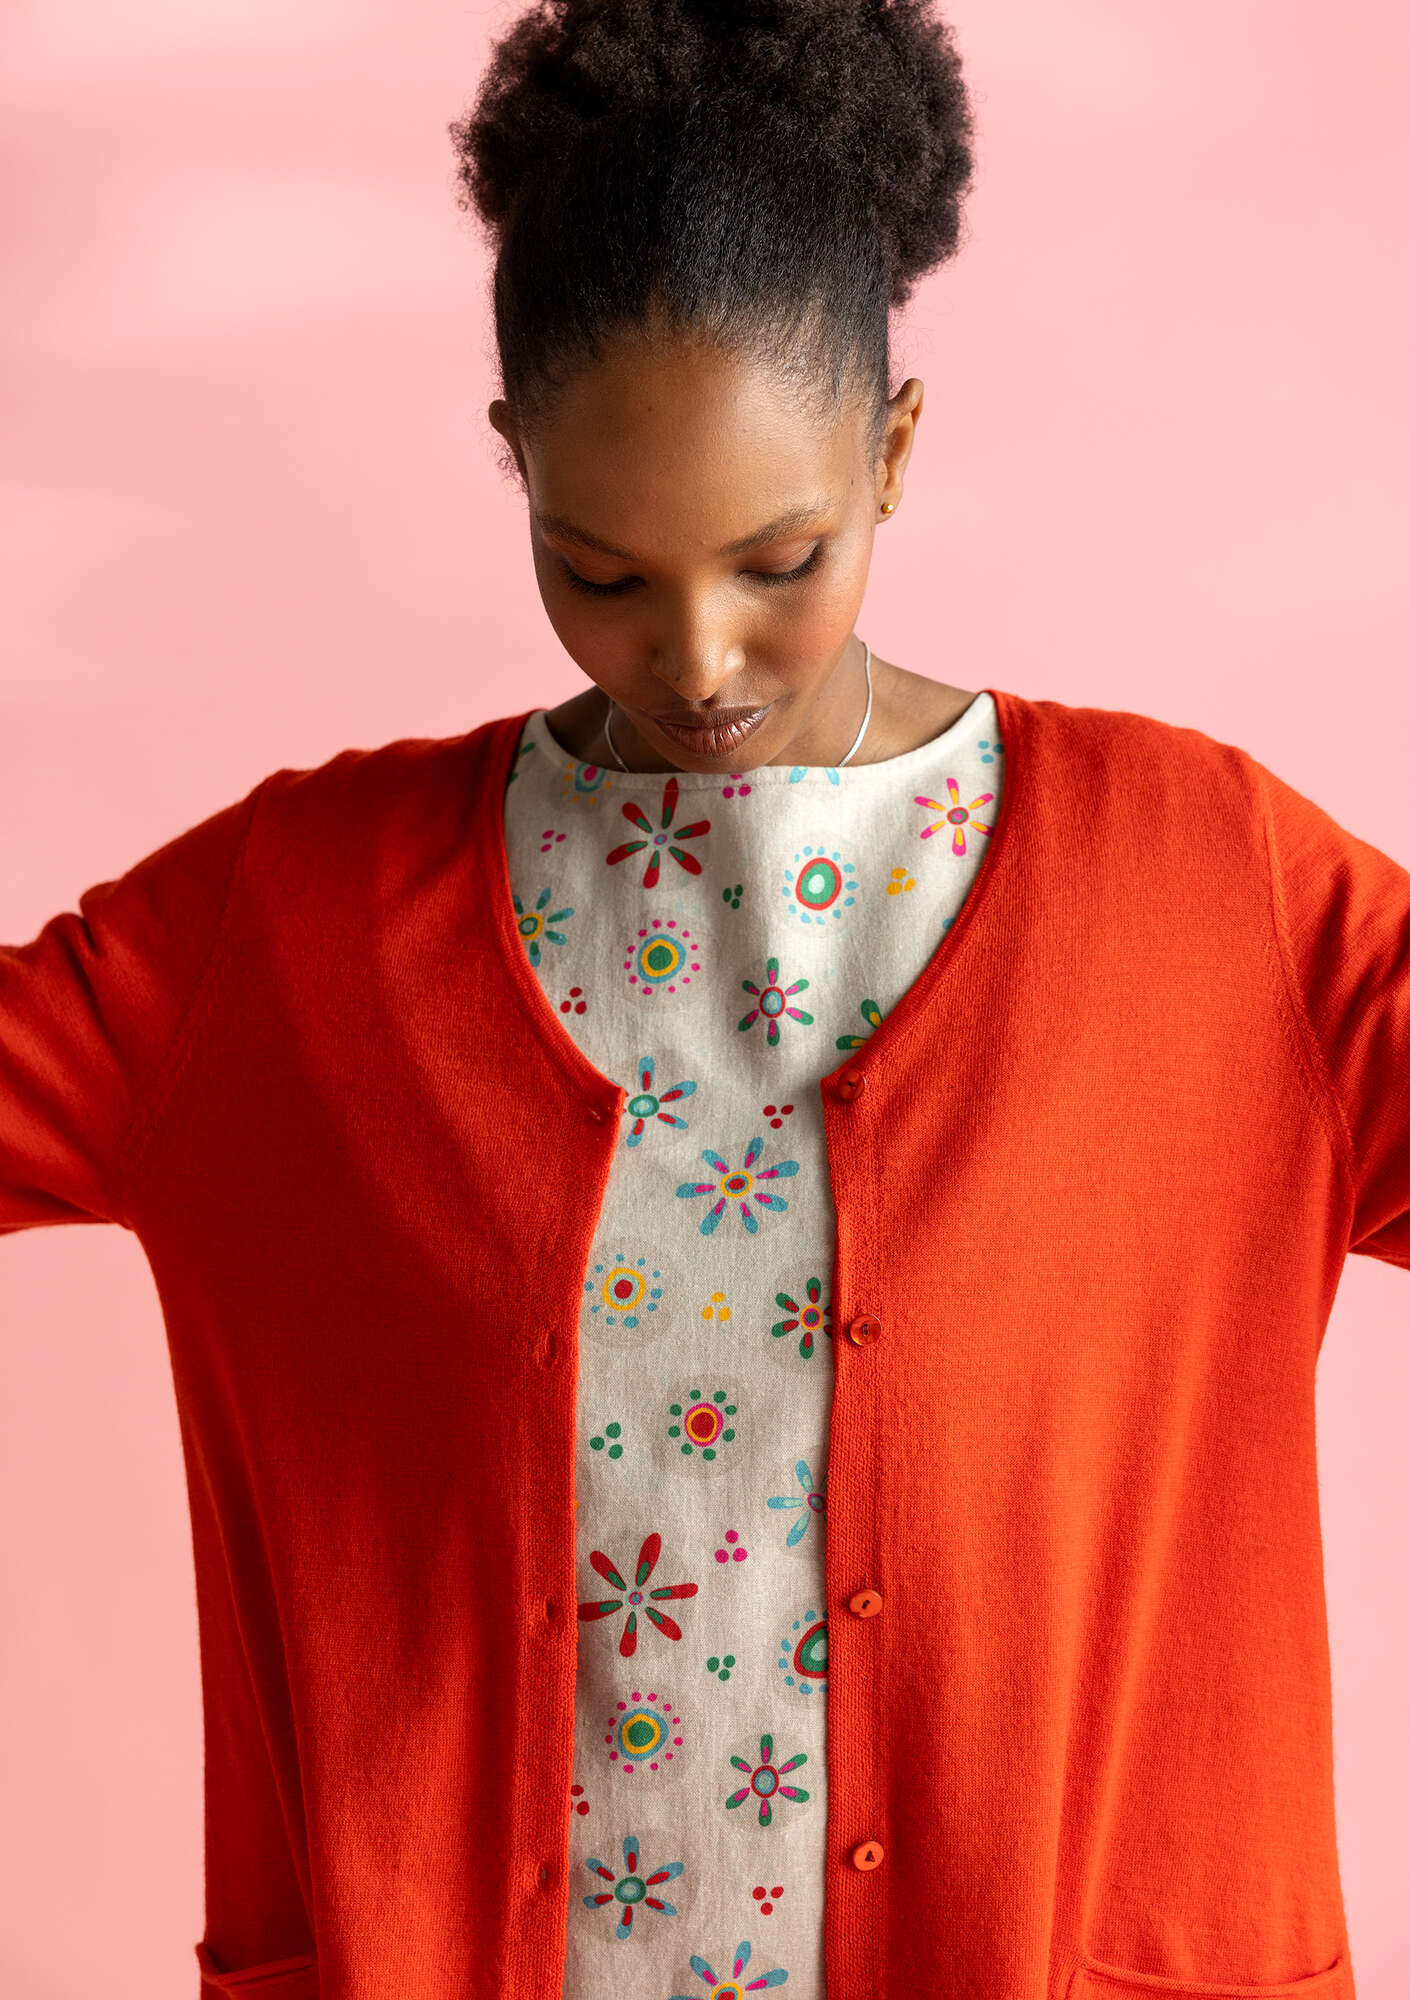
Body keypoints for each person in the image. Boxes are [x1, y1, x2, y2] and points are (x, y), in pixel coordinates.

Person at [2, 3, 1404, 1997]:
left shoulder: (1206, 890)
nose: (698, 658)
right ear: (513, 464)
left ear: (892, 451)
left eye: (779, 558)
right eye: (599, 573)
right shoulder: (294, 932)